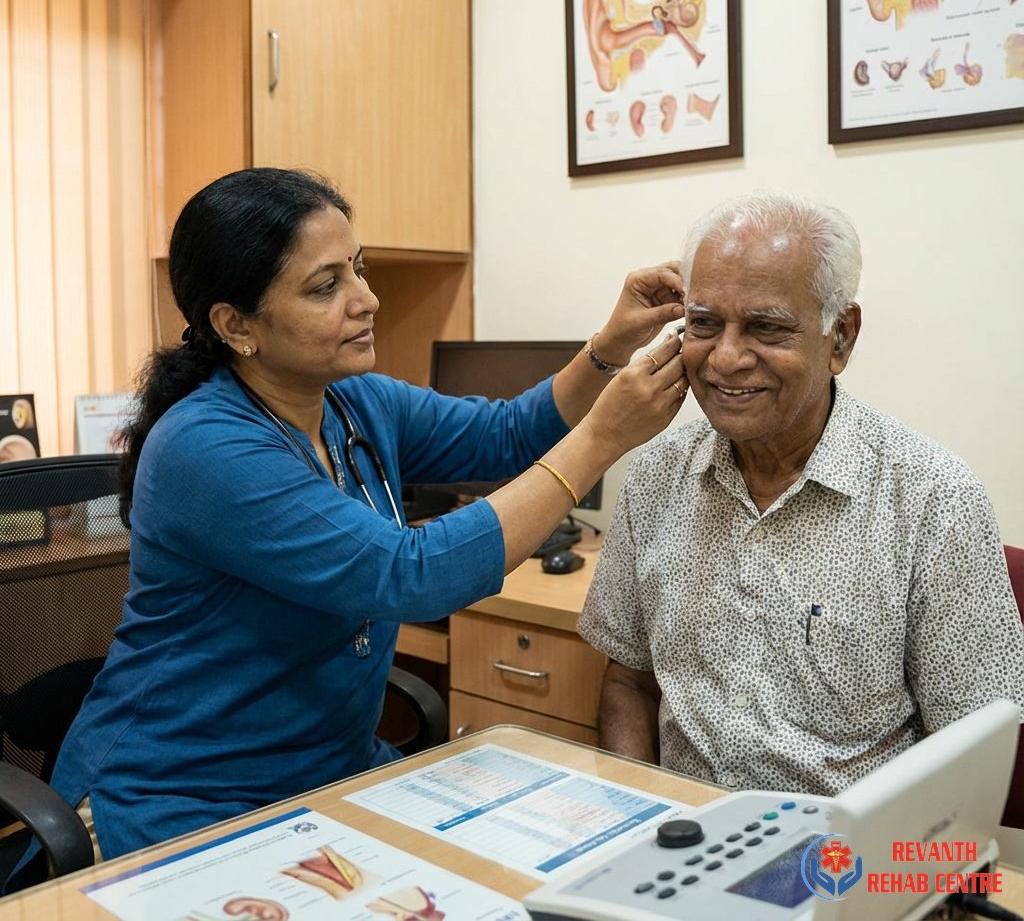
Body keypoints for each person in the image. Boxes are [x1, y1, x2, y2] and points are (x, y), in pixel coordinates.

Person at [45, 168, 690, 863]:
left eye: (359, 268)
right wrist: (601, 440)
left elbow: (508, 433)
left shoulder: (355, 404)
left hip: (324, 776)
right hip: (184, 795)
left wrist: (610, 345)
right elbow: (412, 576)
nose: (367, 299)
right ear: (236, 325)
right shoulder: (205, 447)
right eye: (326, 286)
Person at [578, 189, 1024, 800]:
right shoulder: (656, 474)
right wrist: (640, 816)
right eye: (704, 324)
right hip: (683, 836)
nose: (725, 359)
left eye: (766, 327)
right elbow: (629, 681)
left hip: (847, 850)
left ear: (841, 337)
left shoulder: (934, 500)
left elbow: (975, 750)